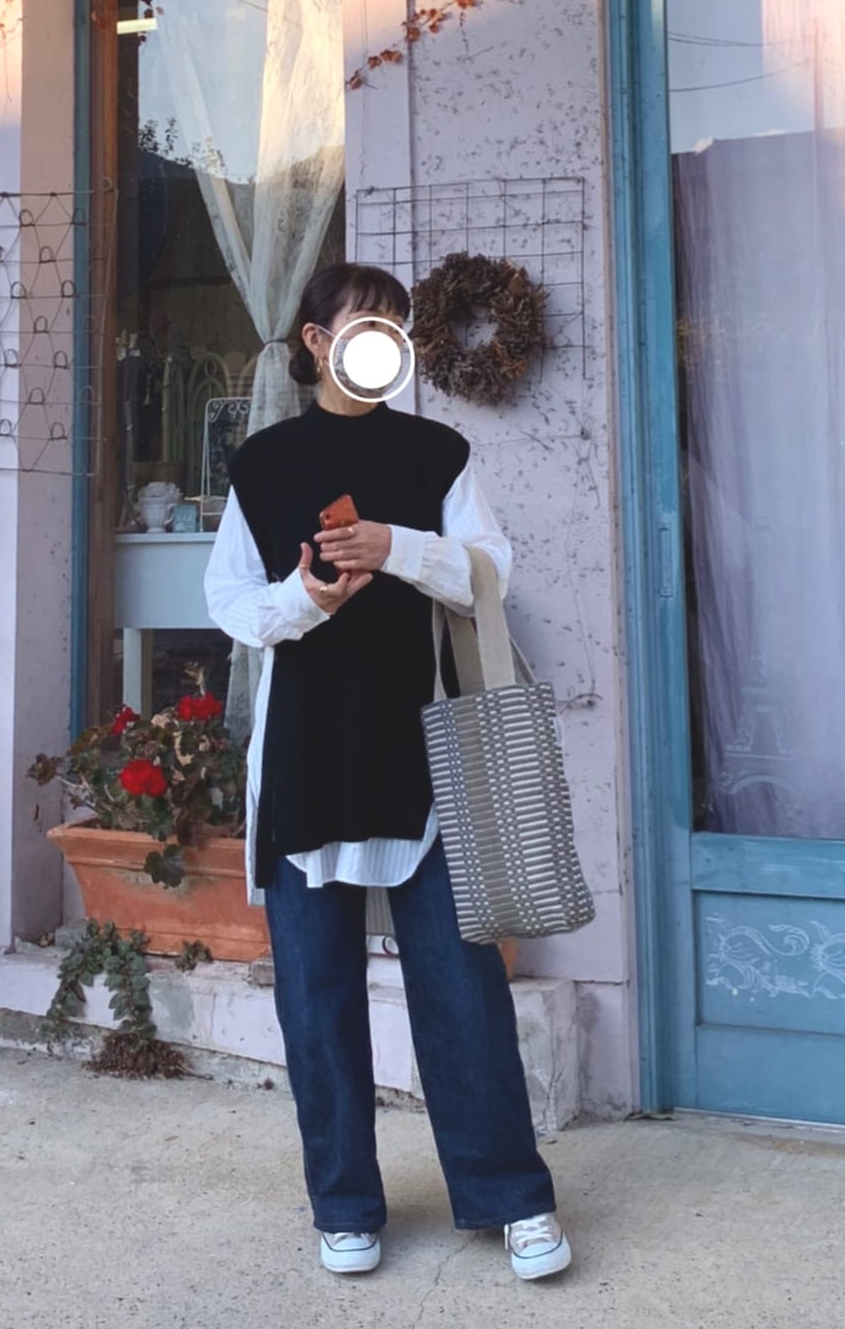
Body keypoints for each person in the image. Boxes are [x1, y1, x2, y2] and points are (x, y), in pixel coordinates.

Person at [203, 262, 570, 1282]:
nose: (385, 336)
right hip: (306, 755)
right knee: (315, 998)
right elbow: (230, 603)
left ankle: (512, 1197)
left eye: (396, 322)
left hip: (429, 753)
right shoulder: (262, 463)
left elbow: (491, 569)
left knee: (462, 986)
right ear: (318, 340)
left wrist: (396, 546)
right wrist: (308, 598)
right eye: (366, 320)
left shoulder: (435, 450)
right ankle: (345, 1204)